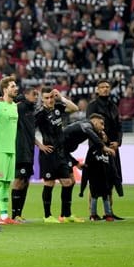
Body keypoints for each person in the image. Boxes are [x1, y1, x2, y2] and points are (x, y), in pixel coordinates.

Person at [35, 87, 81, 223]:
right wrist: (40, 145)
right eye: (46, 98)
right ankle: (47, 216)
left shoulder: (58, 108)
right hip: (48, 154)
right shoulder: (40, 114)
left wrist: (61, 97)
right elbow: (28, 130)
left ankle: (65, 215)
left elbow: (75, 108)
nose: (50, 100)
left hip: (61, 153)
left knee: (67, 183)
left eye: (51, 97)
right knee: (49, 183)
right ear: (42, 99)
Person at [63, 114, 116, 221]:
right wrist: (104, 147)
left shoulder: (82, 130)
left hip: (62, 153)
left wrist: (76, 163)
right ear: (94, 122)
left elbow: (64, 150)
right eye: (101, 124)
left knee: (71, 181)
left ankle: (66, 215)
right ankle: (60, 215)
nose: (103, 127)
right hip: (54, 152)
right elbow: (91, 134)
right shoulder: (86, 125)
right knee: (55, 182)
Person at [86, 79, 124, 220]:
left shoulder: (113, 106)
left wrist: (118, 142)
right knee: (95, 180)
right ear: (97, 89)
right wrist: (102, 141)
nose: (105, 89)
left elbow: (119, 126)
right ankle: (92, 212)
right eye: (102, 87)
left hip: (113, 148)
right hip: (97, 147)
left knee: (112, 179)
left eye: (107, 87)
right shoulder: (92, 106)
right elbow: (89, 126)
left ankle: (109, 211)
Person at [0, 76, 19, 225]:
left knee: (7, 184)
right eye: (13, 86)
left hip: (11, 150)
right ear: (5, 89)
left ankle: (5, 216)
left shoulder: (15, 106)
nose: (16, 88)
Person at [11, 87, 39, 222]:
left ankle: (19, 214)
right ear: (26, 95)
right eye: (34, 94)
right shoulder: (20, 107)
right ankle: (14, 215)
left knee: (25, 181)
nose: (36, 97)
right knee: (18, 181)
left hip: (29, 150)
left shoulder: (31, 110)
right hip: (20, 150)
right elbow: (9, 105)